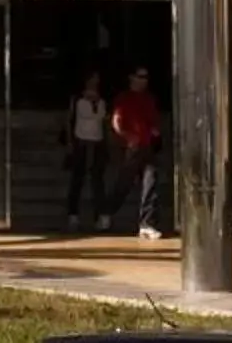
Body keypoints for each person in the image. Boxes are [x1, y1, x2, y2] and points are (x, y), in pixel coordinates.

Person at [110, 64, 166, 240]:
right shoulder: (124, 98)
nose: (143, 81)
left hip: (147, 146)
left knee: (151, 181)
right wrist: (127, 137)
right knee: (124, 184)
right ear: (132, 78)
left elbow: (154, 120)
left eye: (146, 78)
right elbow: (117, 121)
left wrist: (155, 131)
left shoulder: (149, 99)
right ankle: (106, 211)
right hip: (131, 148)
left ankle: (147, 223)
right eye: (140, 77)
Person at [64, 70, 111, 227]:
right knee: (77, 178)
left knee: (97, 179)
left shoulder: (102, 99)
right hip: (81, 141)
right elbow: (70, 120)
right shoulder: (77, 99)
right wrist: (70, 142)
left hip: (97, 141)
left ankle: (101, 215)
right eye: (92, 78)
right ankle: (73, 213)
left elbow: (104, 122)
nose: (94, 82)